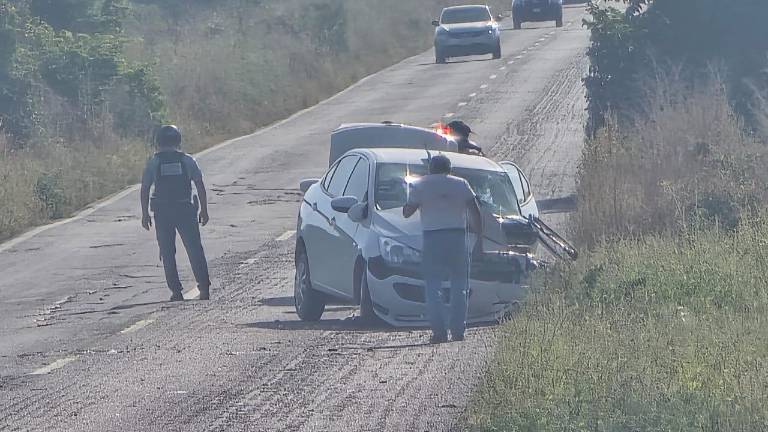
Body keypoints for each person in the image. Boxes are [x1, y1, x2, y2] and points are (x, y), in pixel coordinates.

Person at [403, 154, 483, 344]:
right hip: (457, 237)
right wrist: (479, 238)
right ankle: (458, 330)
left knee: (433, 287)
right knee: (459, 285)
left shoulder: (420, 184)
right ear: (449, 168)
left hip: (432, 238)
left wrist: (411, 199)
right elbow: (475, 211)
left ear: (430, 168)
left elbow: (407, 212)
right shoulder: (461, 184)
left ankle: (439, 332)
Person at [140, 125, 212, 301]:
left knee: (167, 252)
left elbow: (145, 188)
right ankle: (204, 288)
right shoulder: (187, 160)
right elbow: (199, 185)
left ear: (158, 141)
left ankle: (176, 291)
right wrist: (204, 209)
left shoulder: (154, 162)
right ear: (178, 140)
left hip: (162, 212)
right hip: (185, 209)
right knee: (195, 249)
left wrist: (144, 214)